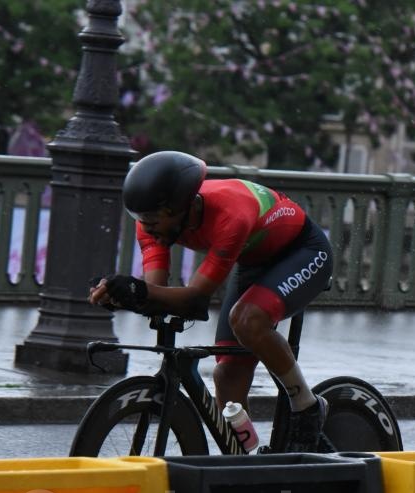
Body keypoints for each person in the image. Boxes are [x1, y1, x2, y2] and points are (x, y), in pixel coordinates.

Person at [88, 150, 335, 453]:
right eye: (140, 219)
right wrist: (121, 295)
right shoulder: (152, 220)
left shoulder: (231, 215)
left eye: (151, 219)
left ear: (182, 207)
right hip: (254, 261)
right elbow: (155, 292)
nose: (145, 227)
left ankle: (306, 407)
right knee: (227, 375)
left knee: (247, 319)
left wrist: (137, 291)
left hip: (304, 252)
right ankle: (248, 460)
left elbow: (193, 300)